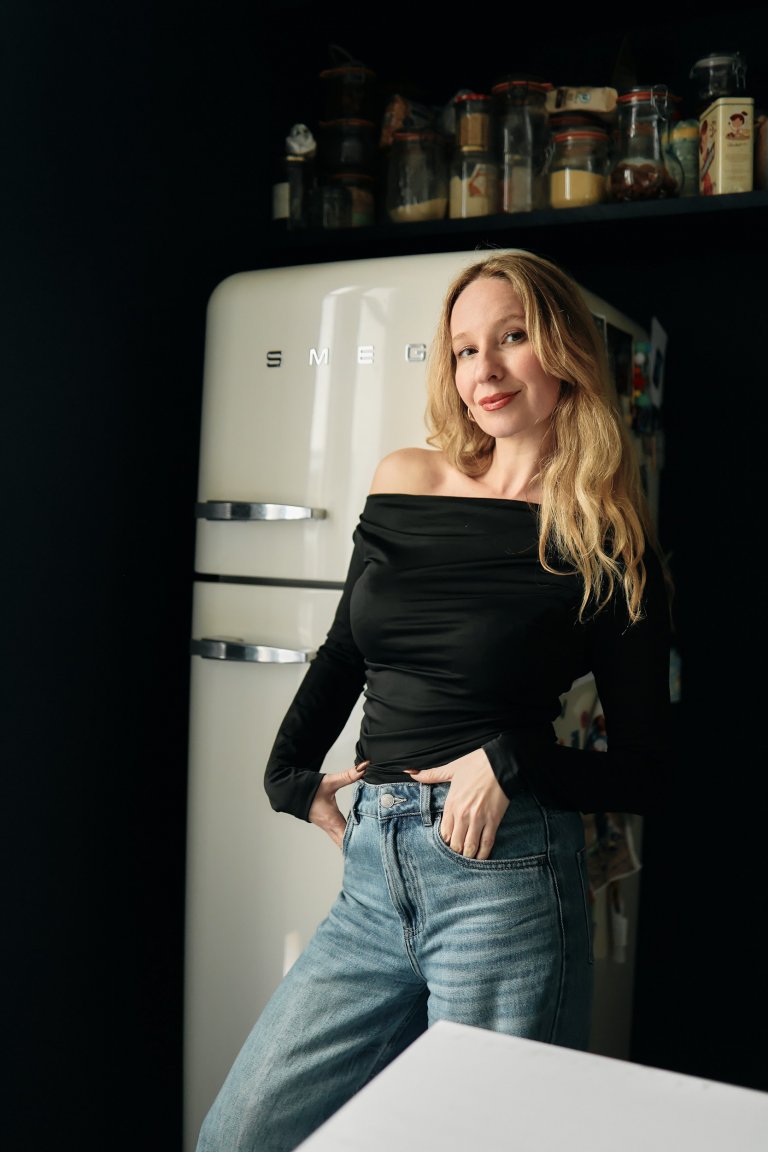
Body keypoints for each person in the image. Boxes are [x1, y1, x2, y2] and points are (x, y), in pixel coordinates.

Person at [196, 248, 673, 1152]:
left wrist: (514, 760)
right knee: (239, 1136)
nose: (483, 369)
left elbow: (653, 772)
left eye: (512, 337)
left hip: (505, 881)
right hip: (373, 874)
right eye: (463, 350)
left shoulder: (605, 539)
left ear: (564, 349)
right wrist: (286, 773)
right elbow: (347, 648)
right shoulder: (406, 478)